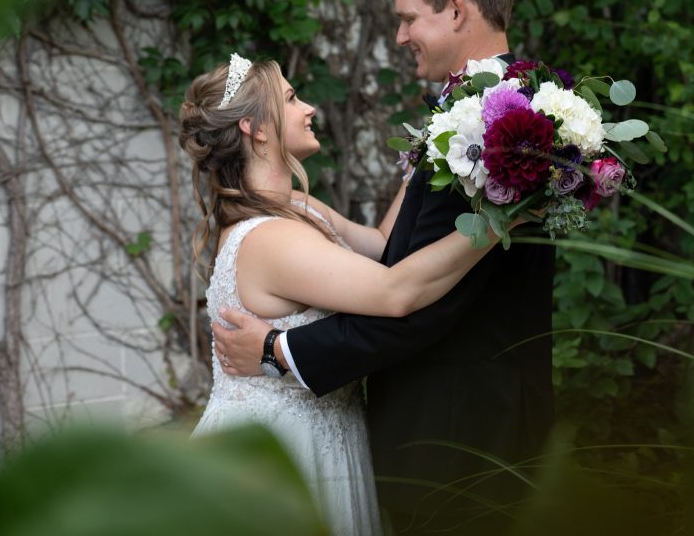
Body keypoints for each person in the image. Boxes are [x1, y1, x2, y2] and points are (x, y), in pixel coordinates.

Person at [214, 0, 556, 533]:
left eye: (406, 20)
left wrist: (279, 351)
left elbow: (419, 300)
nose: (399, 37)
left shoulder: (500, 125)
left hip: (462, 431)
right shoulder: (478, 113)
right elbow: (398, 253)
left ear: (455, 9)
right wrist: (323, 216)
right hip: (450, 428)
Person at [180, 53, 508, 536]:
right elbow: (396, 291)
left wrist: (431, 154)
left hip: (325, 435)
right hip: (281, 453)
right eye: (292, 99)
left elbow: (377, 247)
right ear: (257, 129)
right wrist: (502, 219)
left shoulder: (294, 205)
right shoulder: (271, 238)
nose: (310, 107)